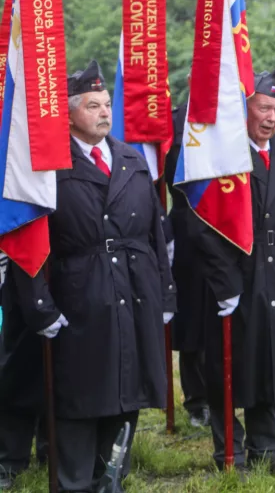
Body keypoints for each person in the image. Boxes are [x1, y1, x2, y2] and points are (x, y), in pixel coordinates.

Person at [7, 60, 176, 492]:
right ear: (68, 113)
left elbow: (155, 233)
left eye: (106, 104)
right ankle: (74, 482)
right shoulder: (46, 166)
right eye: (93, 105)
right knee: (79, 395)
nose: (104, 112)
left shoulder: (129, 158)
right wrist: (39, 306)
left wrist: (166, 294)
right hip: (79, 296)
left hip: (135, 293)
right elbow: (30, 242)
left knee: (126, 391)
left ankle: (111, 478)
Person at [193, 69, 275, 475]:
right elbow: (203, 223)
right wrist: (221, 278)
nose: (271, 117)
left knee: (270, 359)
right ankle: (231, 452)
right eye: (264, 107)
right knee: (229, 362)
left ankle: (268, 449)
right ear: (245, 108)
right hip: (236, 270)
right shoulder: (224, 157)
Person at [162, 92, 211, 428]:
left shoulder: (232, 111)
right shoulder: (175, 120)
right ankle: (197, 400)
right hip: (189, 228)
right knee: (194, 320)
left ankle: (233, 389)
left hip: (230, 227)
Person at [0, 253, 47, 491]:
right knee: (17, 369)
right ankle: (10, 460)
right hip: (18, 260)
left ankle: (50, 450)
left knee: (60, 367)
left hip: (60, 266)